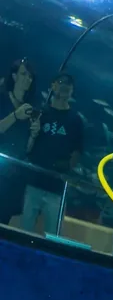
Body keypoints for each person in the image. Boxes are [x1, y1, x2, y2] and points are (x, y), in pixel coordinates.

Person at [22, 72, 84, 236]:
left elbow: (78, 150)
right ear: (52, 85)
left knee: (53, 236)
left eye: (69, 84)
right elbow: (28, 146)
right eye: (61, 82)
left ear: (72, 90)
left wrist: (68, 169)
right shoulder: (40, 112)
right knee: (24, 231)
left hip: (57, 188)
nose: (65, 85)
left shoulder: (76, 120)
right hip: (34, 182)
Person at [0, 58, 37, 225]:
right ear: (14, 76)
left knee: (4, 220)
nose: (27, 79)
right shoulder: (1, 99)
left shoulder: (30, 109)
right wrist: (15, 115)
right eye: (23, 74)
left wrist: (34, 135)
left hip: (14, 175)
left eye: (30, 76)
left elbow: (27, 148)